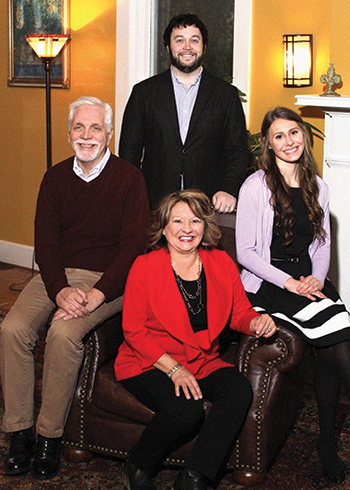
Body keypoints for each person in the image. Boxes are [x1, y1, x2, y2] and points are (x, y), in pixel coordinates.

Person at [0, 96, 151, 480]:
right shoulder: (54, 178)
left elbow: (133, 247)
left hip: (107, 279)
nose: (87, 135)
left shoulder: (130, 179)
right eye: (80, 128)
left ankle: (48, 435)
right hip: (58, 275)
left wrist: (98, 294)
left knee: (64, 333)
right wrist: (59, 290)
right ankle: (19, 431)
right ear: (69, 135)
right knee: (11, 329)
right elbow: (45, 243)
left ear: (109, 134)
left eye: (95, 127)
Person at [114, 189, 276, 490]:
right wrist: (174, 369)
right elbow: (134, 332)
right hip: (150, 361)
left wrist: (256, 321)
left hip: (201, 360)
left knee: (238, 390)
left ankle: (195, 477)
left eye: (195, 221)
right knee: (186, 410)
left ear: (205, 226)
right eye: (177, 221)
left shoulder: (221, 263)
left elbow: (238, 312)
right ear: (164, 227)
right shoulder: (144, 267)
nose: (186, 229)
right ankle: (136, 464)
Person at [235, 106, 350, 486]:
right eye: (279, 136)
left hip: (306, 280)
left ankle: (326, 441)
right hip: (269, 282)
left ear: (304, 135)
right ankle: (328, 445)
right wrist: (289, 283)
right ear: (268, 144)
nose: (289, 141)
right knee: (336, 339)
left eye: (294, 133)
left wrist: (316, 280)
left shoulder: (319, 185)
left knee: (340, 341)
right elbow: (246, 253)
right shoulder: (256, 186)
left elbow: (322, 243)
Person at [118, 13, 249, 211]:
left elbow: (237, 151)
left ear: (204, 47)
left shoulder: (226, 95)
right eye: (179, 40)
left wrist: (229, 189)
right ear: (168, 47)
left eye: (194, 40)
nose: (187, 47)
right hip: (155, 204)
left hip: (208, 205)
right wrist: (132, 198)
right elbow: (129, 152)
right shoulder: (143, 93)